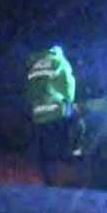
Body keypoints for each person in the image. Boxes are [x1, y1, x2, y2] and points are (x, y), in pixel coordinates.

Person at [26, 44, 77, 184]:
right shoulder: (59, 61)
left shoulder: (34, 63)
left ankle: (45, 178)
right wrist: (69, 102)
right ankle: (58, 181)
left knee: (43, 148)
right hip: (56, 110)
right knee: (58, 147)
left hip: (38, 112)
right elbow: (68, 85)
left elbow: (30, 89)